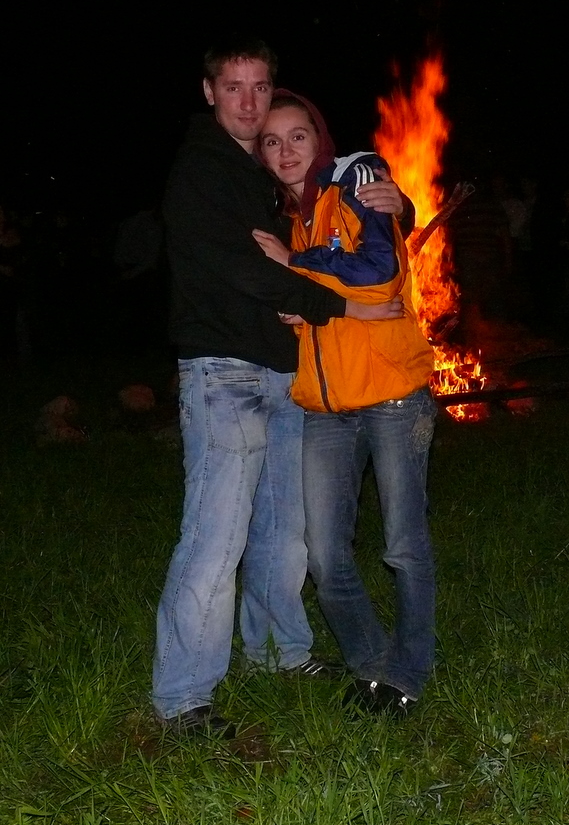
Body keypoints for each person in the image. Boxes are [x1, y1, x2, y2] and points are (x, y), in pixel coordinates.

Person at [152, 38, 406, 735]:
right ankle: (183, 696)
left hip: (281, 374)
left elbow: (342, 226)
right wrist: (341, 308)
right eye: (233, 87)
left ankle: (277, 653)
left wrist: (400, 205)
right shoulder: (201, 171)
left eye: (259, 87)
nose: (247, 101)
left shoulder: (256, 173)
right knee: (215, 539)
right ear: (209, 92)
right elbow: (244, 271)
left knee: (283, 533)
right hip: (224, 374)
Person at [253, 91, 437, 715]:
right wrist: (302, 307)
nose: (286, 151)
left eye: (297, 136)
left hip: (392, 396)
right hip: (326, 408)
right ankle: (372, 664)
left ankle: (407, 675)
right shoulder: (290, 217)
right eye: (272, 141)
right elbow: (324, 301)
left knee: (403, 545)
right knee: (326, 556)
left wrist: (295, 263)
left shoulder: (356, 179)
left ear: (320, 138)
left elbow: (380, 273)